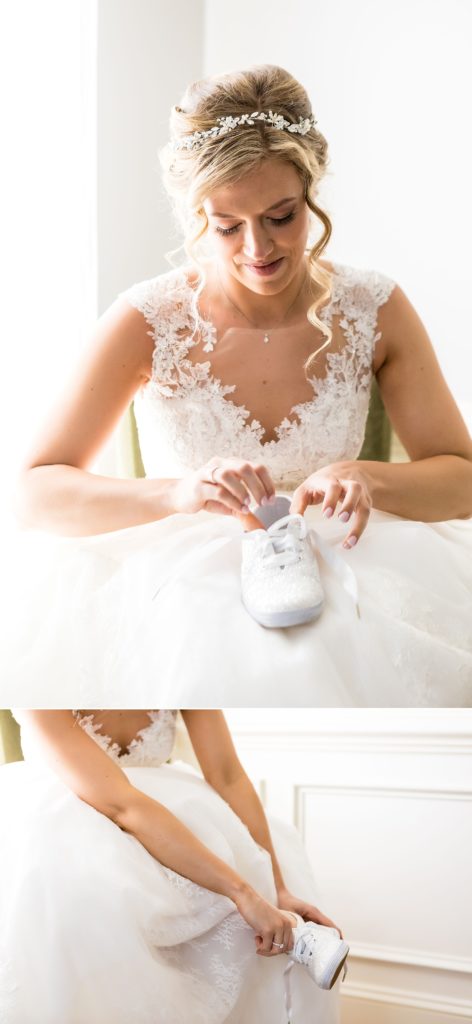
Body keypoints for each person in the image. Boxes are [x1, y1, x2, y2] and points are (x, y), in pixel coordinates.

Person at [3, 63, 472, 707]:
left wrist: (368, 475)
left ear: (311, 192)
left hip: (352, 566)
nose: (259, 248)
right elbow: (34, 492)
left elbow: (462, 479)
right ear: (194, 218)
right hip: (182, 588)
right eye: (226, 227)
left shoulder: (374, 307)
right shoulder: (149, 320)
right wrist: (178, 493)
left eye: (282, 216)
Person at [0, 708, 343, 1024]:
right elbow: (122, 806)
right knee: (90, 903)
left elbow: (227, 776)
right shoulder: (39, 664)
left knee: (257, 886)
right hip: (79, 815)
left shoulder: (175, 657)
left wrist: (277, 886)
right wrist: (242, 892)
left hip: (176, 806)